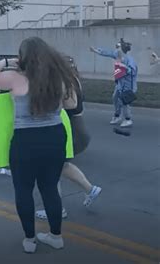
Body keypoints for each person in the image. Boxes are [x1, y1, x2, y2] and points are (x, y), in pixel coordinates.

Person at [0, 37, 78, 253]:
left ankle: (30, 240)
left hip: (26, 140)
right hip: (54, 136)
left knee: (23, 190)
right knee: (50, 188)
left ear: (22, 58)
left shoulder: (15, 78)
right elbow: (71, 104)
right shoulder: (58, 77)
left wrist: (6, 62)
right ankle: (56, 236)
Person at [36, 76, 102, 220]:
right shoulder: (71, 79)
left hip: (69, 129)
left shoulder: (63, 81)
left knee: (51, 170)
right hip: (76, 128)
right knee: (61, 166)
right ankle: (90, 189)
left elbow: (72, 104)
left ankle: (56, 209)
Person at [90, 38, 138, 127]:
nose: (116, 49)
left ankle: (128, 119)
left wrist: (124, 67)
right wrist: (96, 51)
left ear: (123, 49)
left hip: (128, 85)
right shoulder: (117, 55)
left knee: (125, 101)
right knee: (115, 98)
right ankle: (117, 115)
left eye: (118, 47)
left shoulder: (130, 60)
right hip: (120, 84)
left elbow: (132, 71)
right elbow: (108, 53)